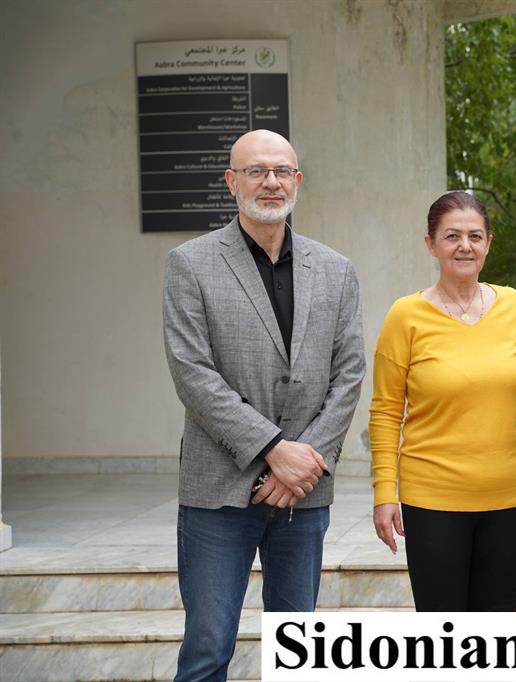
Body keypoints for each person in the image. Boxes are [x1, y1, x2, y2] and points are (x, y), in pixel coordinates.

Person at [163, 129, 365, 681]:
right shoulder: (191, 263)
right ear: (232, 182)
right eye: (256, 171)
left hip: (304, 491)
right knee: (208, 649)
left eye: (281, 171)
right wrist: (275, 451)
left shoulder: (335, 269)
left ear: (297, 181)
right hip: (218, 490)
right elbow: (191, 371)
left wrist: (305, 462)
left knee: (297, 651)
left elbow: (349, 374)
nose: (270, 182)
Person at [369, 190, 516, 611]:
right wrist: (384, 493)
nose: (464, 246)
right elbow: (385, 412)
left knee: (496, 625)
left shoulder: (515, 306)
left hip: (513, 499)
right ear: (431, 244)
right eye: (451, 236)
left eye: (475, 236)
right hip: (432, 500)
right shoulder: (405, 316)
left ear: (488, 242)